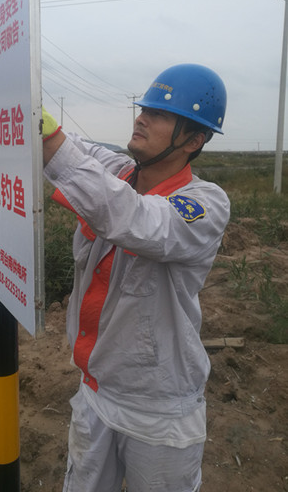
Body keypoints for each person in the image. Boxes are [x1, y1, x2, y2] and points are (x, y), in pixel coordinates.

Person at [41, 63, 230, 492]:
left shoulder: (205, 203)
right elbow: (77, 151)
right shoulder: (120, 171)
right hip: (96, 388)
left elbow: (137, 219)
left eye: (159, 114)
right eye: (144, 109)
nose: (142, 118)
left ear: (194, 140)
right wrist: (35, 119)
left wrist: (47, 137)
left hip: (158, 408)